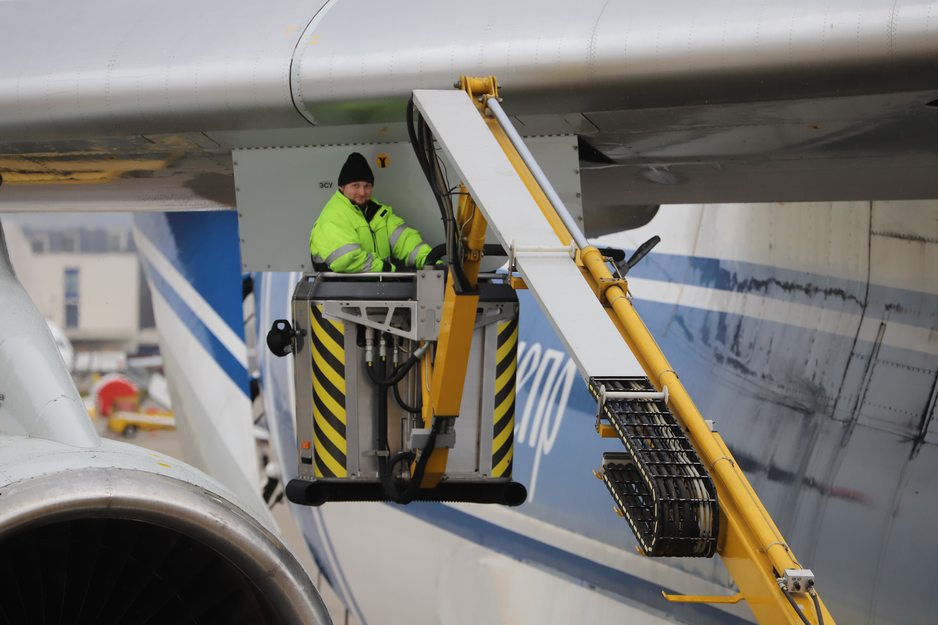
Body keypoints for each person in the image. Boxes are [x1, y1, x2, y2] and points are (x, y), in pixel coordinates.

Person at [309, 152, 432, 273]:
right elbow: (346, 260)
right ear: (342, 186)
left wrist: (430, 261)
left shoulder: (379, 213)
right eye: (355, 186)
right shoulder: (334, 216)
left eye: (367, 186)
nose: (362, 192)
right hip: (340, 290)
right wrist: (387, 268)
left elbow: (406, 242)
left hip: (374, 288)